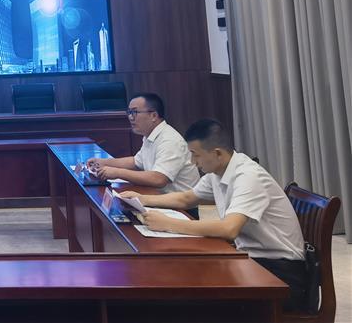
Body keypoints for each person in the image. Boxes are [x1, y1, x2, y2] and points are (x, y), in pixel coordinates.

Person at [118, 119, 308, 311]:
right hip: (252, 259)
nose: (192, 162)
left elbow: (229, 229)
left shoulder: (248, 177)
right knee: (187, 282)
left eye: (196, 155)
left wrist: (168, 223)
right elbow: (186, 199)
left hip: (281, 274)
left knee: (194, 299)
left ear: (217, 153)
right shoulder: (217, 172)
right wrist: (143, 199)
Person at [86, 93, 199, 193]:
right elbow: (136, 162)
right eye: (129, 112)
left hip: (181, 206)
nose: (130, 117)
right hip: (160, 197)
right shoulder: (151, 135)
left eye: (134, 112)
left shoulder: (169, 141)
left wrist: (117, 172)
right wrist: (104, 162)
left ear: (153, 116)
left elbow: (158, 179)